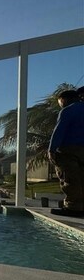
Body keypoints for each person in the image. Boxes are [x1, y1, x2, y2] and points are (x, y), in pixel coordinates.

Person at [48, 89, 84, 217]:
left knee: (69, 178)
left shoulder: (68, 110)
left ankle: (73, 208)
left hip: (69, 150)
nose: (61, 105)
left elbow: (60, 130)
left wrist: (51, 150)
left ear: (64, 100)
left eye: (60, 103)